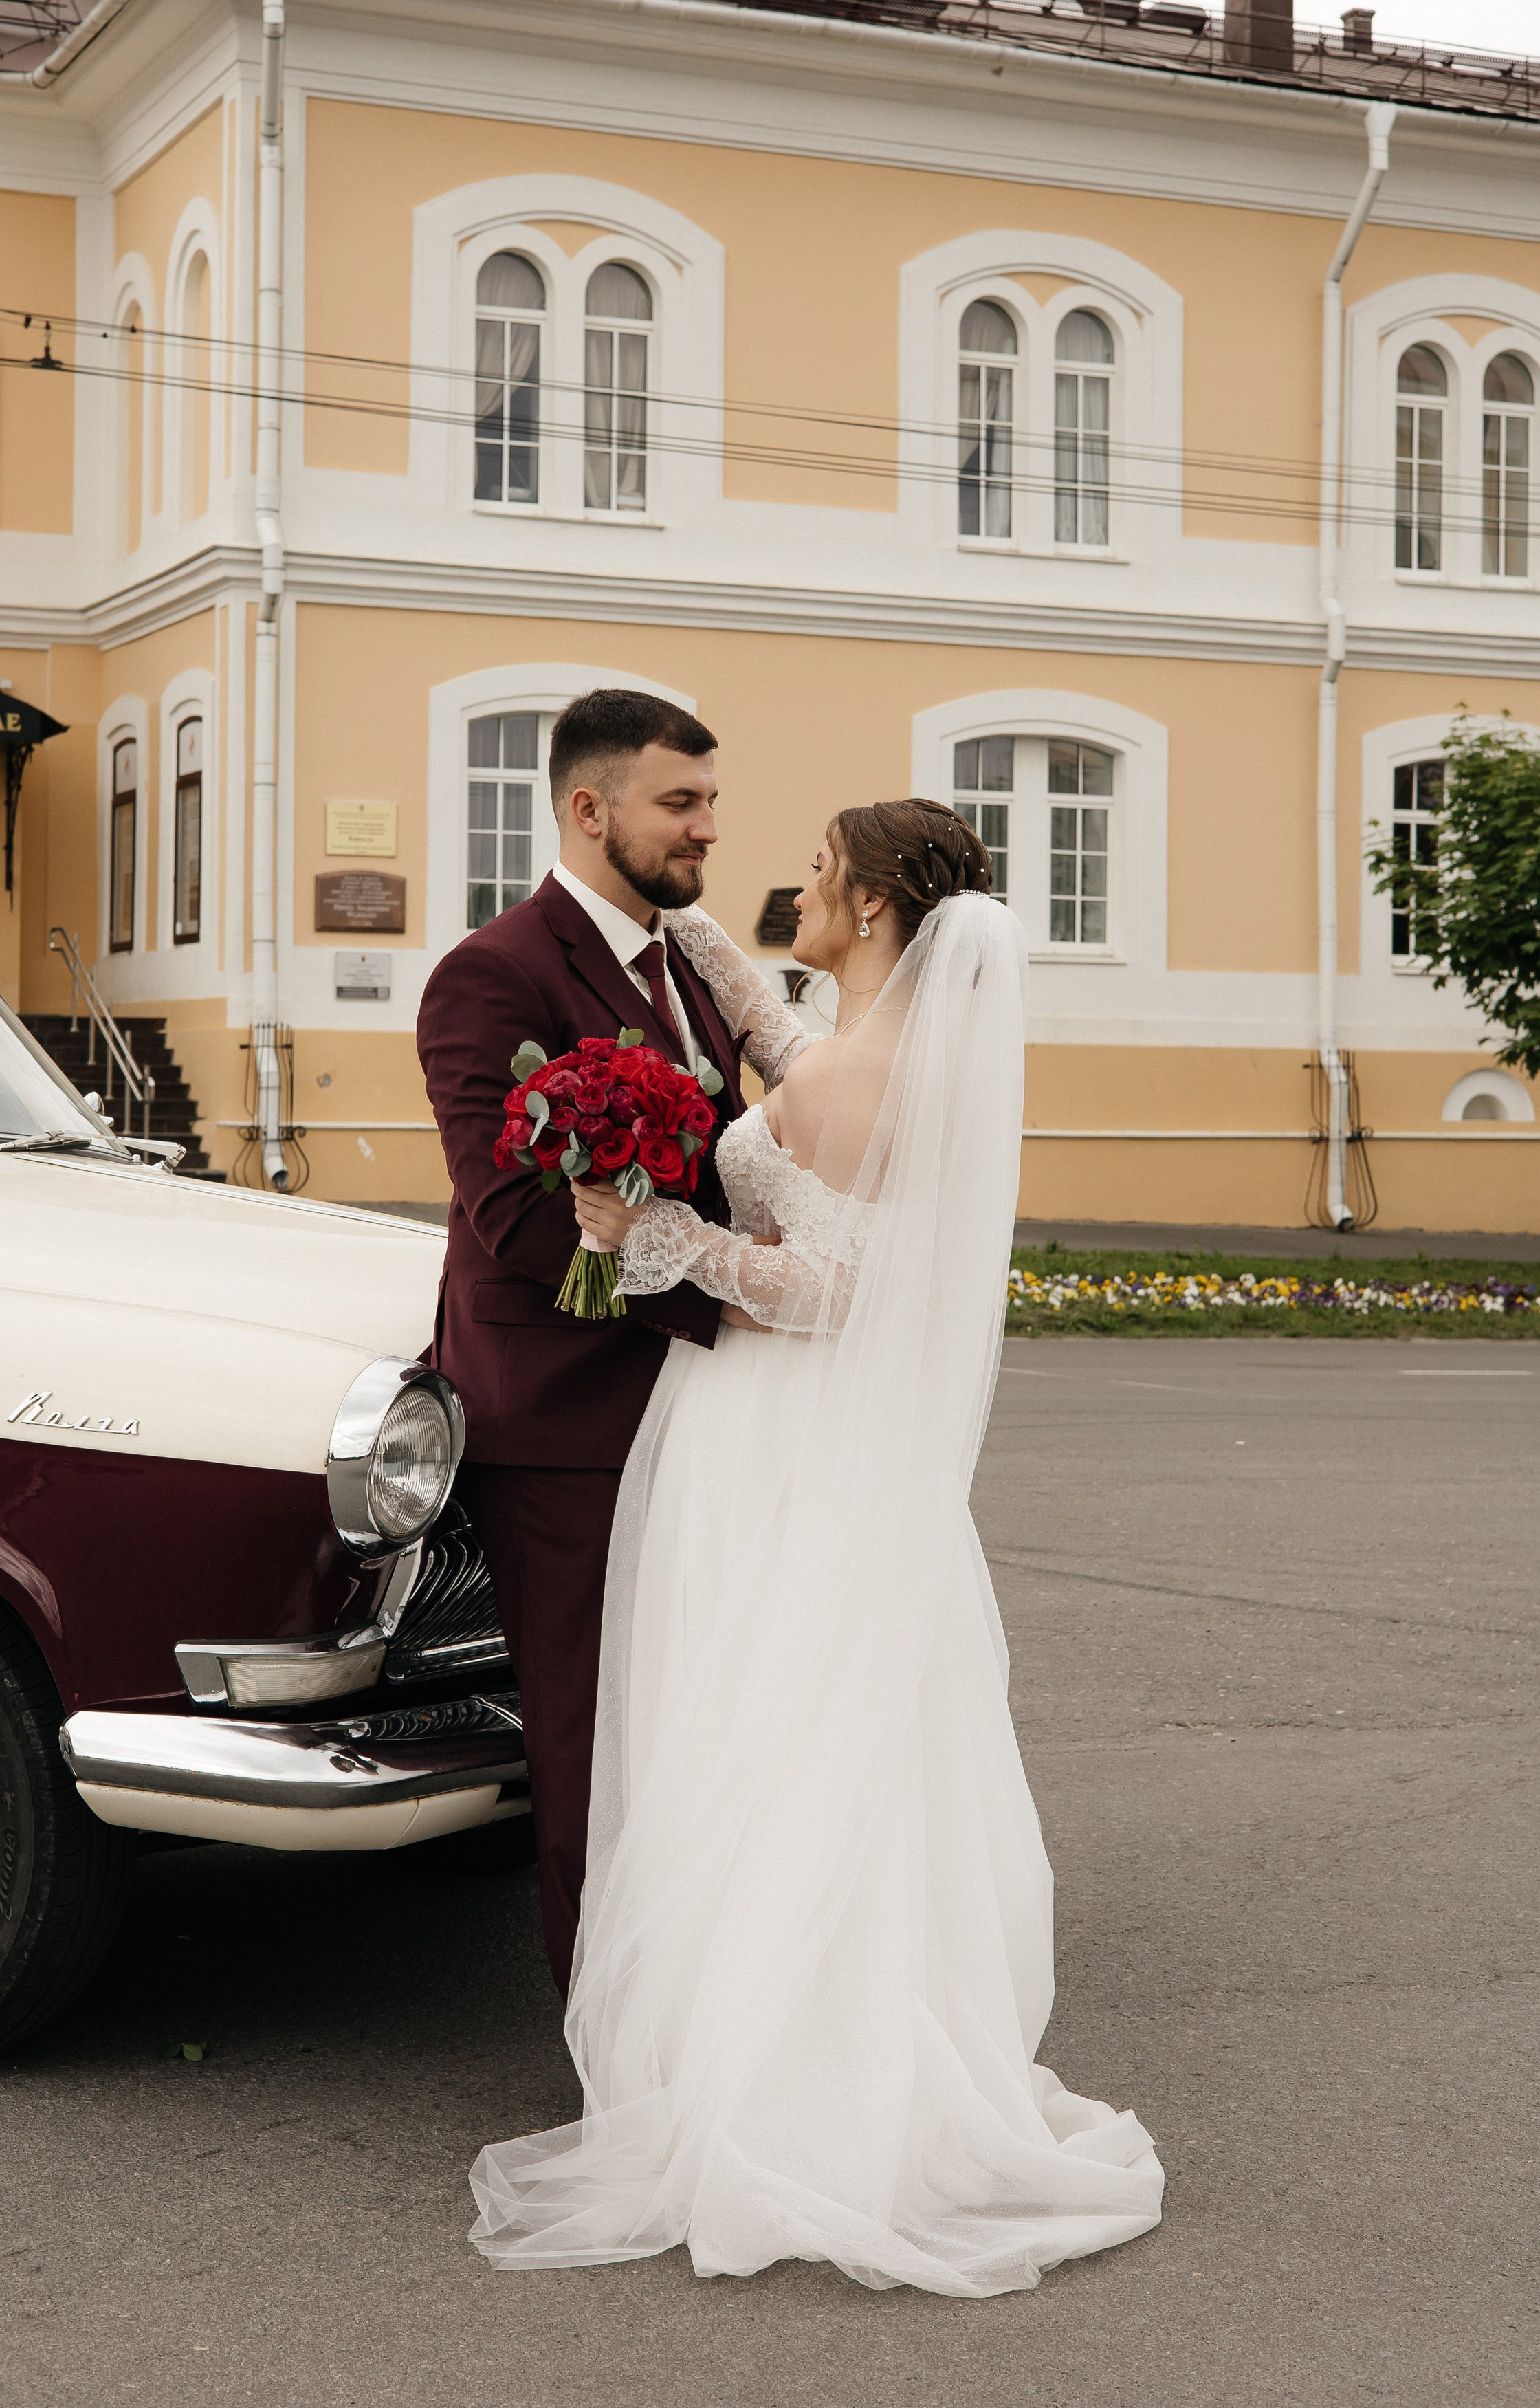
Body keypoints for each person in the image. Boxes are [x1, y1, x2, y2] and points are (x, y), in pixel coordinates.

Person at [468, 799, 1165, 2295]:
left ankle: (776, 2094)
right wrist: (699, 941)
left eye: (815, 878)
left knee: (757, 1743)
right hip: (828, 1462)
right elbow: (793, 1063)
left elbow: (836, 1288)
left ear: (868, 911)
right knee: (823, 1743)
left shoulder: (864, 1075)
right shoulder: (889, 1061)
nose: (793, 889)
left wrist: (648, 1234)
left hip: (774, 1442)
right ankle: (826, 2048)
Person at [417, 689, 743, 1994]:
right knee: (589, 1738)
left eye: (712, 800)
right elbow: (518, 1223)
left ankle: (691, 1999)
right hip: (560, 1426)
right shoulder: (492, 973)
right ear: (588, 808)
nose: (708, 828)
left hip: (696, 1408)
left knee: (682, 1727)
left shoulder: (692, 970)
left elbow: (716, 1172)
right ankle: (611, 2041)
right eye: (683, 802)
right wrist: (734, 1302)